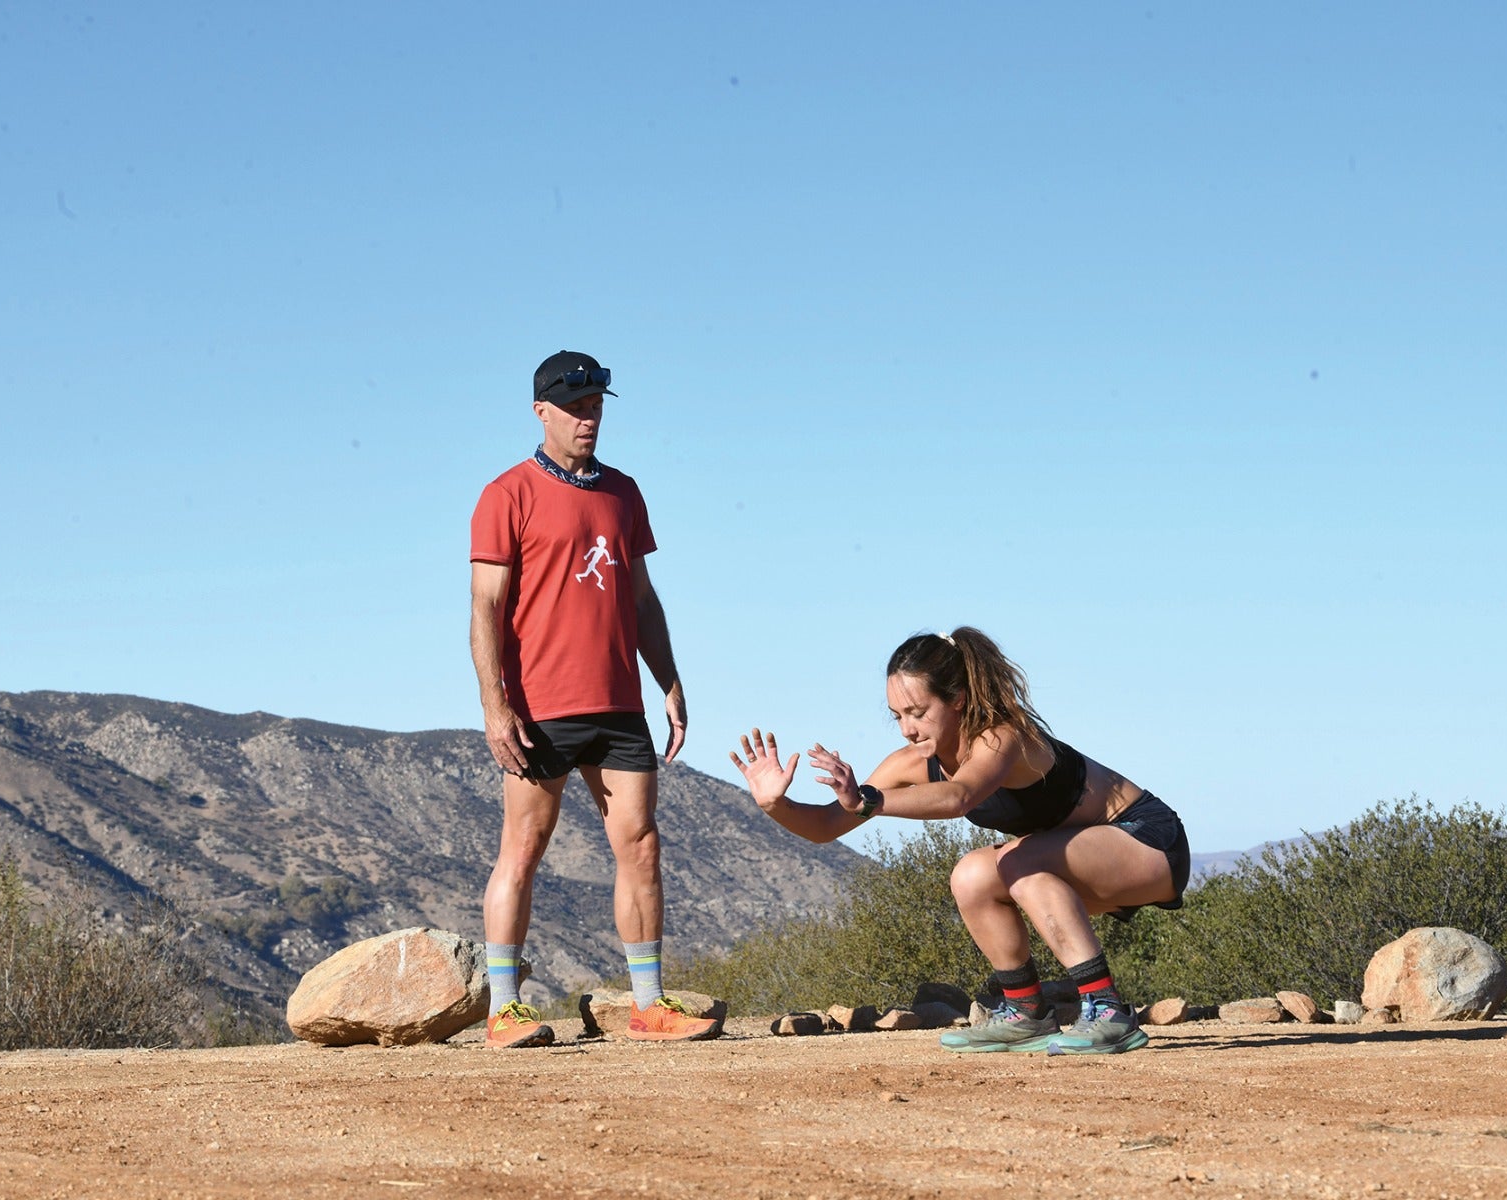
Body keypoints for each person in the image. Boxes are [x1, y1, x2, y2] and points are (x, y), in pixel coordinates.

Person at [730, 626, 1190, 1055]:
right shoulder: (912, 762)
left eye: (918, 712)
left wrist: (867, 799)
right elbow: (828, 826)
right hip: (1071, 853)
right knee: (971, 875)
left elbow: (960, 795)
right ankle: (1026, 1012)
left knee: (1020, 865)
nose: (908, 728)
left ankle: (1108, 1011)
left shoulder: (1002, 737)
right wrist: (776, 805)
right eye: (897, 716)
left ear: (959, 700)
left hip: (1146, 841)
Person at [469, 350, 719, 1048]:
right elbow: (484, 608)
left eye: (597, 405)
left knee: (640, 845)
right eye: (576, 407)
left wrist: (668, 680)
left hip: (618, 704)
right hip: (540, 706)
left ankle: (648, 1004)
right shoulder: (506, 493)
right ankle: (504, 1008)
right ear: (541, 411)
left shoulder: (623, 492)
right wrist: (495, 706)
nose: (589, 418)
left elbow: (641, 598)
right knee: (523, 847)